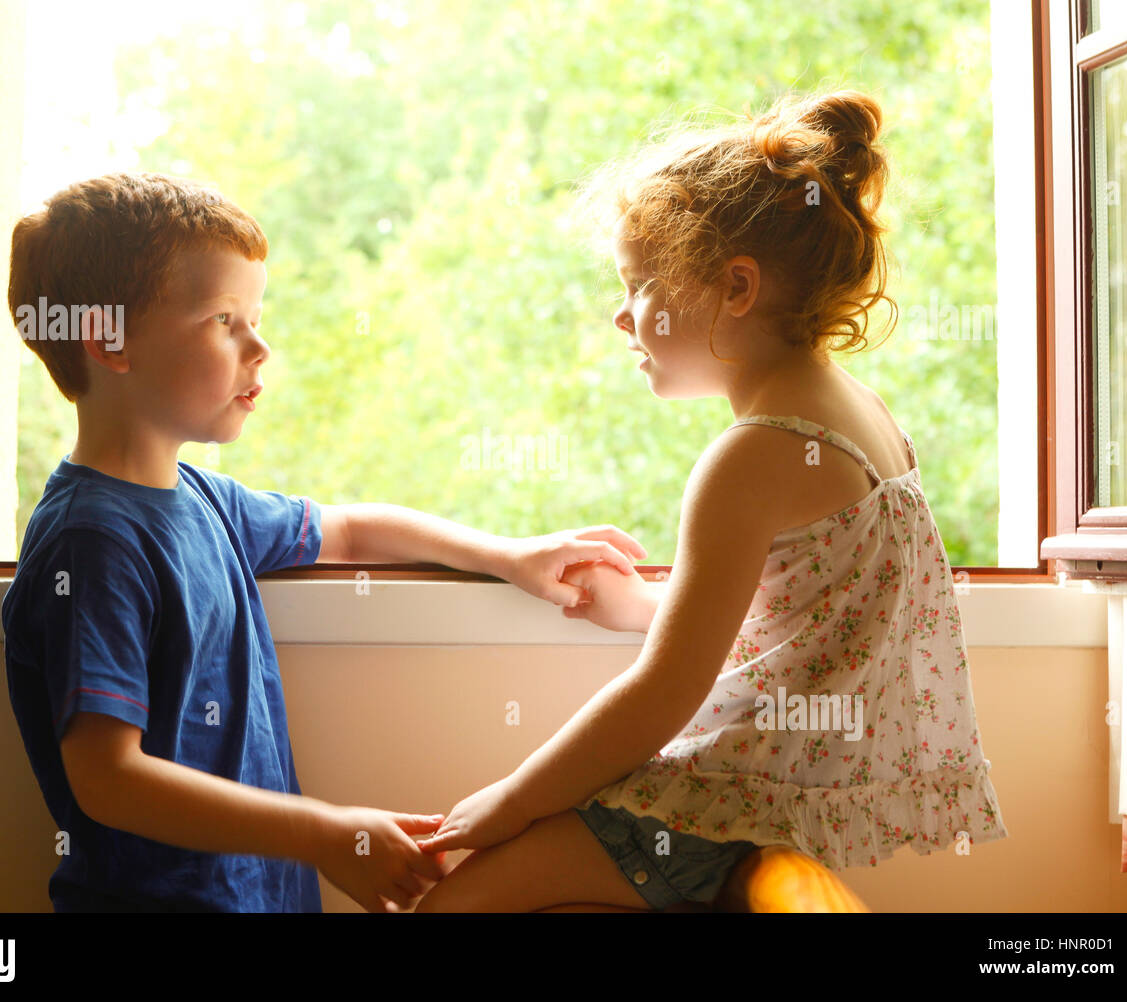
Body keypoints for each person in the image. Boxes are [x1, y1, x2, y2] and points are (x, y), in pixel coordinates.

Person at [415, 90, 1008, 912]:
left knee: (445, 906)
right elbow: (799, 622)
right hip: (777, 813)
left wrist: (512, 801)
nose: (623, 316)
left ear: (736, 287)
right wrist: (642, 607)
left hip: (711, 815)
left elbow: (663, 693)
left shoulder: (751, 455)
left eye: (641, 285)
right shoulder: (860, 414)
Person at [1, 172, 646, 913]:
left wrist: (510, 556)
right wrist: (326, 834)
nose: (261, 346)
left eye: (256, 316)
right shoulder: (92, 544)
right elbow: (108, 778)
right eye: (224, 320)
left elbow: (350, 528)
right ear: (110, 343)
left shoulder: (205, 501)